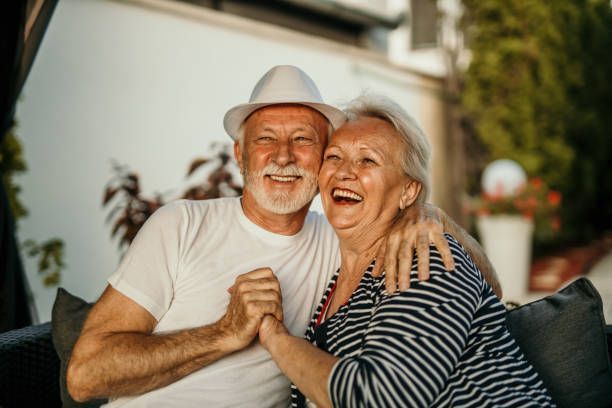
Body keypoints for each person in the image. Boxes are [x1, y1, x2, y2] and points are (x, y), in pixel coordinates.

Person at [67, 66, 499, 407]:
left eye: (304, 140)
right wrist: (223, 332)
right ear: (240, 153)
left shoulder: (348, 241)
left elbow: (487, 292)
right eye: (266, 139)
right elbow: (84, 376)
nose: (284, 156)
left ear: (320, 159)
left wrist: (432, 217)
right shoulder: (179, 224)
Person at [258, 94, 554, 407]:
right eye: (333, 157)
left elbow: (381, 400)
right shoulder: (333, 289)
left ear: (408, 190)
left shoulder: (424, 256)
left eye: (368, 160)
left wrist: (275, 338)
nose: (344, 172)